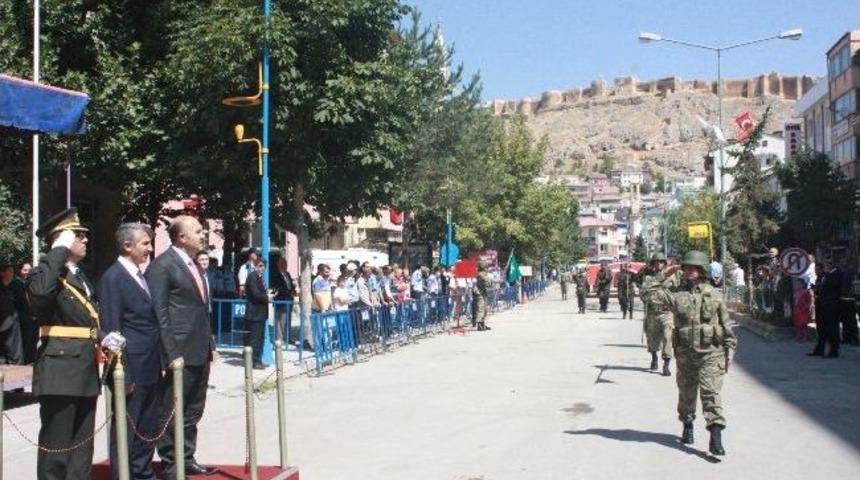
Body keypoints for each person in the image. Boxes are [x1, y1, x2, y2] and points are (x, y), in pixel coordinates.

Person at [27, 208, 103, 479]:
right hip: (60, 369)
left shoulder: (79, 275)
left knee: (81, 447)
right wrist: (56, 251)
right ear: (61, 239)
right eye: (78, 235)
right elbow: (39, 294)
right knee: (56, 447)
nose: (85, 240)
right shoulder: (43, 273)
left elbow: (86, 320)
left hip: (84, 366)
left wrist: (105, 338)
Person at [145, 215, 217, 477]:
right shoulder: (163, 266)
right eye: (198, 231)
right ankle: (171, 463)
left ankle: (187, 457)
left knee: (193, 409)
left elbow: (199, 310)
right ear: (182, 237)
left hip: (198, 349)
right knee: (173, 408)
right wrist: (170, 352)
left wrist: (210, 344)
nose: (203, 234)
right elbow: (160, 313)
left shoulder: (193, 264)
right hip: (179, 352)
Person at [654, 250, 737, 456]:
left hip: (711, 353)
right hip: (685, 354)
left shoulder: (715, 294)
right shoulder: (676, 295)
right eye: (686, 267)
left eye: (694, 268)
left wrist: (730, 348)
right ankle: (687, 424)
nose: (689, 271)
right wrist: (664, 273)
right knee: (687, 395)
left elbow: (726, 325)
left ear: (702, 271)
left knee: (710, 394)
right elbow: (649, 292)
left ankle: (715, 437)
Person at [99, 223, 162, 480]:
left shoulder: (139, 275)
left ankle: (142, 472)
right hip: (130, 367)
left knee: (147, 426)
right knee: (127, 429)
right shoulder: (114, 278)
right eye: (144, 243)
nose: (149, 248)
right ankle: (123, 475)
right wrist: (120, 373)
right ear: (127, 246)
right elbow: (112, 329)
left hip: (149, 364)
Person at [640, 253, 677, 376]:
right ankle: (654, 357)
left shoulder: (673, 278)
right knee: (652, 339)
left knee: (668, 337)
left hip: (667, 312)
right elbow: (643, 294)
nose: (658, 264)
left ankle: (666, 364)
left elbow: (679, 293)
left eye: (661, 262)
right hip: (652, 313)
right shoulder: (648, 278)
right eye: (656, 262)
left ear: (665, 264)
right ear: (652, 264)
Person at [809, 259, 841, 358]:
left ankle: (834, 351)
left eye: (819, 269)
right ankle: (820, 349)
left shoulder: (836, 275)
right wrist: (816, 290)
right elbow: (821, 290)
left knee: (832, 329)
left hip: (831, 307)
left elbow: (835, 289)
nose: (816, 272)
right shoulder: (822, 277)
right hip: (821, 307)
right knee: (821, 330)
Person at [244, 258, 273, 369]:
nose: (262, 268)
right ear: (255, 266)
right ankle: (254, 361)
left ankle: (258, 360)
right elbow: (255, 294)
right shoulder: (252, 277)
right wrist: (267, 297)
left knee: (259, 338)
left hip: (260, 313)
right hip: (254, 313)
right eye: (260, 266)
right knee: (255, 339)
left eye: (264, 266)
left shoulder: (259, 277)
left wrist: (268, 294)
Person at [0, 264, 24, 364]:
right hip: (7, 327)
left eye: (12, 271)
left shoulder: (11, 288)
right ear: (2, 273)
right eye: (9, 271)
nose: (12, 274)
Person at [270, 256, 296, 344]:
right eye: (282, 264)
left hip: (289, 299)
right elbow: (277, 287)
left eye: (285, 263)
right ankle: (279, 339)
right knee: (279, 321)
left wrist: (293, 291)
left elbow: (291, 285)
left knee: (288, 319)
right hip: (281, 299)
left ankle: (287, 338)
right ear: (278, 265)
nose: (284, 265)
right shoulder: (275, 274)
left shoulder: (287, 274)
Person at [473, 261, 494, 331]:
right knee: (481, 308)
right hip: (479, 293)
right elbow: (487, 281)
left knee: (485, 309)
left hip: (483, 292)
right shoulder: (480, 274)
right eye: (486, 267)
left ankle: (483, 324)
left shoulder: (484, 274)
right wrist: (495, 281)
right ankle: (479, 325)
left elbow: (489, 281)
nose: (487, 268)